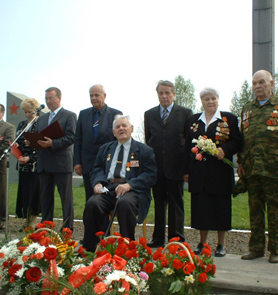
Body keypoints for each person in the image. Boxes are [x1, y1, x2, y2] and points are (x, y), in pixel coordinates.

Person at [237, 70, 278, 263]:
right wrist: (241, 162)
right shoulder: (247, 108)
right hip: (253, 168)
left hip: (276, 168)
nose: (258, 86)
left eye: (262, 82)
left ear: (271, 83)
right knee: (255, 210)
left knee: (276, 211)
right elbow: (244, 139)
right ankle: (256, 248)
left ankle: (276, 250)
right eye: (255, 83)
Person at [83, 115, 157, 252]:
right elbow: (97, 168)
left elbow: (150, 175)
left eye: (124, 125)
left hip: (133, 190)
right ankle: (93, 248)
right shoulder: (105, 149)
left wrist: (130, 185)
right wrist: (97, 183)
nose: (121, 128)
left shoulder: (145, 150)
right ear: (113, 132)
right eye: (118, 127)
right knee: (93, 203)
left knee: (125, 204)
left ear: (132, 129)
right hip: (108, 189)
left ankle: (127, 248)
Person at [184, 88, 242, 256]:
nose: (210, 102)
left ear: (218, 100)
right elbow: (187, 146)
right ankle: (203, 243)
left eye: (213, 98)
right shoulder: (193, 120)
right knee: (201, 209)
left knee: (220, 209)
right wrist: (186, 170)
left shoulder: (228, 119)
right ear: (202, 101)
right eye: (207, 99)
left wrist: (225, 150)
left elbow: (237, 141)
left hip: (220, 173)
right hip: (198, 173)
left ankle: (221, 244)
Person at [144, 80, 192, 248]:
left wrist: (186, 169)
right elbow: (149, 141)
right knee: (158, 204)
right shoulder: (149, 114)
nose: (164, 96)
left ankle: (176, 239)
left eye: (167, 93)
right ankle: (158, 239)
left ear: (174, 94)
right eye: (161, 93)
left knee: (176, 205)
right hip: (156, 168)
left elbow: (188, 144)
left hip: (176, 167)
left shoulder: (185, 113)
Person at [35, 87, 77, 230]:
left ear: (59, 98)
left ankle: (67, 227)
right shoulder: (41, 118)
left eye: (51, 98)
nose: (48, 101)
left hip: (61, 163)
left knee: (66, 198)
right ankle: (46, 227)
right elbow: (39, 136)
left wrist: (53, 143)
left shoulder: (69, 115)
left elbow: (71, 137)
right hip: (44, 163)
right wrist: (33, 141)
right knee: (45, 198)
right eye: (46, 98)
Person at [73, 84, 122, 201]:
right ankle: (91, 220)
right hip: (87, 164)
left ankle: (105, 220)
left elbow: (120, 141)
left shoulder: (116, 114)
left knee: (106, 199)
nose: (93, 98)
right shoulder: (83, 114)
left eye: (97, 95)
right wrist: (77, 162)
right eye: (91, 95)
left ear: (104, 96)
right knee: (90, 199)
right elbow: (78, 140)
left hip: (108, 166)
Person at [15, 98, 41, 228]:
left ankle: (32, 222)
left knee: (33, 194)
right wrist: (18, 154)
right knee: (24, 193)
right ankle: (25, 221)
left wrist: (30, 158)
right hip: (22, 163)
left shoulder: (41, 124)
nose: (27, 114)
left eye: (30, 112)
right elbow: (17, 141)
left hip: (34, 164)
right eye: (25, 112)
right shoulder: (21, 124)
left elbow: (41, 145)